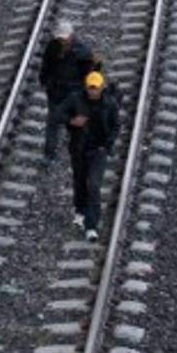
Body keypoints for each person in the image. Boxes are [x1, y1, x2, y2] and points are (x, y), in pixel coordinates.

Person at [56, 70, 120, 242]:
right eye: (90, 87)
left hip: (98, 151)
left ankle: (91, 226)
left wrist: (106, 146)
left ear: (101, 87)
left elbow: (116, 126)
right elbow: (58, 113)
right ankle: (80, 211)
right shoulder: (75, 99)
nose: (92, 91)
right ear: (86, 86)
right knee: (79, 180)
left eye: (96, 88)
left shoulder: (110, 103)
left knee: (93, 185)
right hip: (79, 149)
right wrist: (71, 120)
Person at [39, 19, 98, 164]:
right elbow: (46, 66)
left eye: (64, 38)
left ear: (71, 36)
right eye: (59, 38)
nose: (62, 42)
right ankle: (49, 155)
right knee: (52, 123)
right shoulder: (52, 49)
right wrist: (45, 81)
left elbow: (90, 74)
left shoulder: (82, 52)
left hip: (74, 95)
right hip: (55, 93)